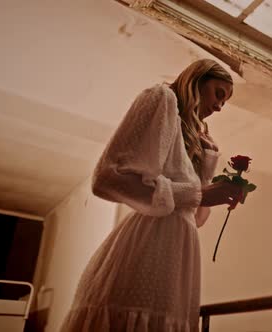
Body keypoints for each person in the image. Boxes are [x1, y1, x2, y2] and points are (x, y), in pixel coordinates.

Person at [60, 59, 241, 331]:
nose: (218, 106)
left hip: (177, 256)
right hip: (149, 246)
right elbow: (107, 179)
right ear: (197, 79)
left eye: (224, 102)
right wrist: (197, 193)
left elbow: (197, 218)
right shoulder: (162, 98)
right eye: (218, 94)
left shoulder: (193, 141)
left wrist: (209, 162)